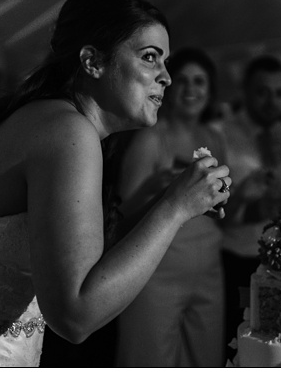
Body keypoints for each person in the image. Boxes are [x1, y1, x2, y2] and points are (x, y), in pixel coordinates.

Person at [0, 0, 232, 366]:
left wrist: (165, 201)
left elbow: (83, 265)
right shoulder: (67, 132)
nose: (166, 77)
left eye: (165, 62)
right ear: (92, 61)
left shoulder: (54, 121)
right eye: (150, 57)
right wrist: (175, 208)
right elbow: (76, 315)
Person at [112, 48, 226, 367]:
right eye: (184, 81)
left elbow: (217, 207)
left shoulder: (213, 137)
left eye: (199, 81)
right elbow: (122, 217)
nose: (191, 90)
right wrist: (160, 192)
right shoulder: (150, 138)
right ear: (170, 85)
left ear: (210, 89)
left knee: (205, 361)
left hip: (208, 270)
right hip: (158, 274)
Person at [214, 55, 281, 349]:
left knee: (274, 344)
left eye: (280, 93)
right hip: (237, 257)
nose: (271, 101)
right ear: (246, 91)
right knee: (238, 342)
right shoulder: (221, 135)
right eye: (262, 92)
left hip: (280, 263)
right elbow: (212, 207)